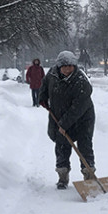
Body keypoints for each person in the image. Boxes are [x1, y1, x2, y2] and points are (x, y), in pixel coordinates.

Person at [39, 50, 95, 189]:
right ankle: (62, 176)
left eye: (70, 66)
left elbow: (78, 107)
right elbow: (44, 85)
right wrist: (43, 98)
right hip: (59, 115)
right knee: (62, 145)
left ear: (74, 66)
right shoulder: (52, 74)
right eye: (64, 66)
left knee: (84, 145)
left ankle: (89, 175)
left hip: (83, 118)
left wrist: (64, 124)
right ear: (59, 67)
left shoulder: (81, 81)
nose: (67, 69)